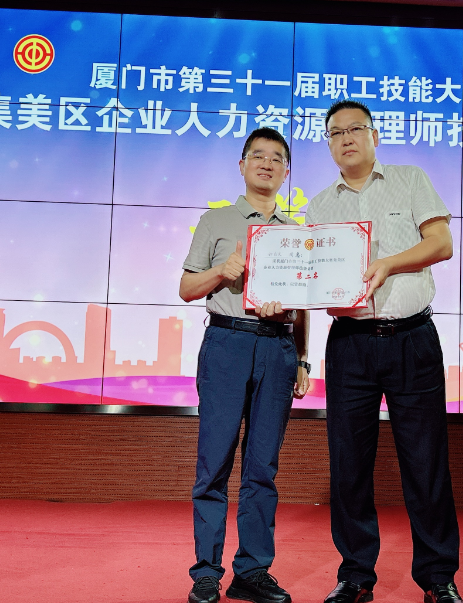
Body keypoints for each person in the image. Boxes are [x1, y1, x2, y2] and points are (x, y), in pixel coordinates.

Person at [304, 100, 463, 603]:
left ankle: (438, 578)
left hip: (412, 338)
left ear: (374, 136)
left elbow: (441, 243)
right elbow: (313, 278)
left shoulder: (410, 180)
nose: (346, 138)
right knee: (348, 464)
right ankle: (355, 576)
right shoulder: (319, 207)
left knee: (425, 460)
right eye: (335, 133)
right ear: (329, 145)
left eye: (355, 129)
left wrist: (389, 264)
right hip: (350, 344)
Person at [179, 127, 311, 603]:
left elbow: (303, 306)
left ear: (286, 172)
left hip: (277, 348)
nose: (267, 164)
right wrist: (221, 271)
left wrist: (302, 358)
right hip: (227, 343)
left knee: (262, 467)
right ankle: (206, 572)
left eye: (277, 158)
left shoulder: (296, 235)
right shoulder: (215, 221)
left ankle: (252, 571)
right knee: (214, 461)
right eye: (258, 155)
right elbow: (186, 289)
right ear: (242, 165)